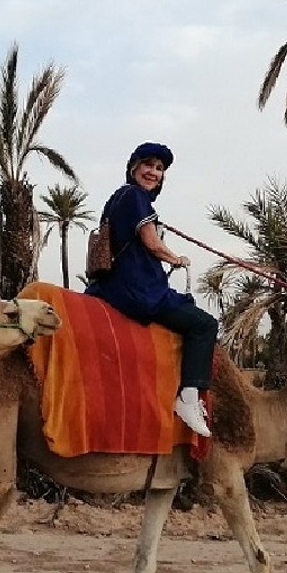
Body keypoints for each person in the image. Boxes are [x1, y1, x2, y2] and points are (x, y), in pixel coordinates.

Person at [85, 142, 218, 437]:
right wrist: (177, 259)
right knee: (204, 325)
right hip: (138, 288)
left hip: (112, 284)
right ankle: (188, 398)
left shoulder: (118, 198)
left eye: (159, 168)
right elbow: (151, 242)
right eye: (148, 165)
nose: (153, 172)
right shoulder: (135, 197)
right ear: (134, 168)